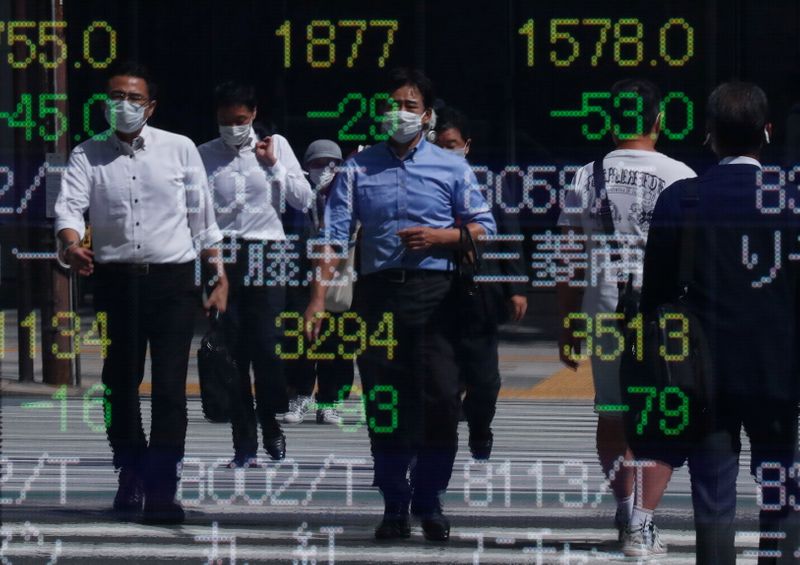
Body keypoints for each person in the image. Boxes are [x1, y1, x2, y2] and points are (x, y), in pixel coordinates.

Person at [304, 68, 496, 542]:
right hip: (379, 297)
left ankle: (429, 499)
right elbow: (333, 237)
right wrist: (317, 299)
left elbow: (483, 227)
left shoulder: (452, 167)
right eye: (393, 105)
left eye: (410, 106)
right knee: (385, 402)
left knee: (442, 401)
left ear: (427, 116)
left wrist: (441, 237)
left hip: (437, 296)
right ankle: (394, 502)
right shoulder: (357, 168)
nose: (400, 113)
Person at [54, 61, 227, 524]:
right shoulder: (87, 154)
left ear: (150, 106)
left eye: (133, 98)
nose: (124, 105)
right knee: (119, 383)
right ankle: (129, 470)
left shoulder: (179, 148)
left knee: (169, 388)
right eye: (116, 97)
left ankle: (162, 486)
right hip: (115, 282)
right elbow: (69, 208)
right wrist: (71, 245)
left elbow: (203, 219)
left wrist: (217, 275)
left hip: (172, 282)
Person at [641, 82, 800, 564]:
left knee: (712, 489)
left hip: (701, 371)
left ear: (709, 133)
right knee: (779, 483)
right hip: (777, 369)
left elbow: (655, 297)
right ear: (766, 132)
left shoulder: (682, 199)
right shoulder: (789, 198)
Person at [556, 79, 696, 556]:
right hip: (663, 314)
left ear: (611, 123)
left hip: (603, 310)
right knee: (658, 415)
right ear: (659, 121)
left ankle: (623, 508)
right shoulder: (680, 175)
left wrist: (568, 323)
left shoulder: (586, 176)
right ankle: (642, 522)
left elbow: (568, 260)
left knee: (613, 412)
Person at [198, 81, 313, 467]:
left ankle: (270, 422)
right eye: (225, 120)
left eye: (240, 119)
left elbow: (303, 199)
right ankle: (243, 444)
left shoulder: (275, 145)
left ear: (254, 115)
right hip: (223, 251)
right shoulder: (204, 155)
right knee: (231, 354)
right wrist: (212, 270)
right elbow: (199, 215)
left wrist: (274, 165)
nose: (233, 127)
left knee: (267, 347)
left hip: (269, 249)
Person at [434, 106, 528, 459]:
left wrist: (516, 288)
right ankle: (442, 441)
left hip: (480, 292)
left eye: (452, 145)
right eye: (438, 146)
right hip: (435, 293)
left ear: (467, 146)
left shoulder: (490, 184)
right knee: (440, 378)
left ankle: (479, 426)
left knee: (485, 380)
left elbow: (510, 236)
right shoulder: (420, 185)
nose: (446, 152)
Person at [283, 139, 354, 425]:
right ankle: (300, 395)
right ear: (306, 166)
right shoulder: (295, 197)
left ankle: (330, 401)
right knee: (299, 340)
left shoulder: (349, 196)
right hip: (299, 278)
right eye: (317, 163)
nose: (324, 169)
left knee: (337, 343)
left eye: (331, 164)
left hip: (338, 279)